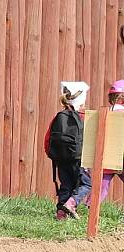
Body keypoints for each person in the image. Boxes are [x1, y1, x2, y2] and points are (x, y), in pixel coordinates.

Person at [64, 80, 124, 215]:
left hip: (104, 159)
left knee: (100, 188)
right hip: (121, 159)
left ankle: (87, 207)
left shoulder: (105, 113)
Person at [44, 81, 88, 220]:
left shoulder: (59, 116)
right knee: (87, 183)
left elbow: (48, 138)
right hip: (78, 158)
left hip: (60, 159)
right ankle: (71, 204)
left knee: (66, 185)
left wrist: (53, 155)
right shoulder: (84, 117)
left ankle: (61, 214)